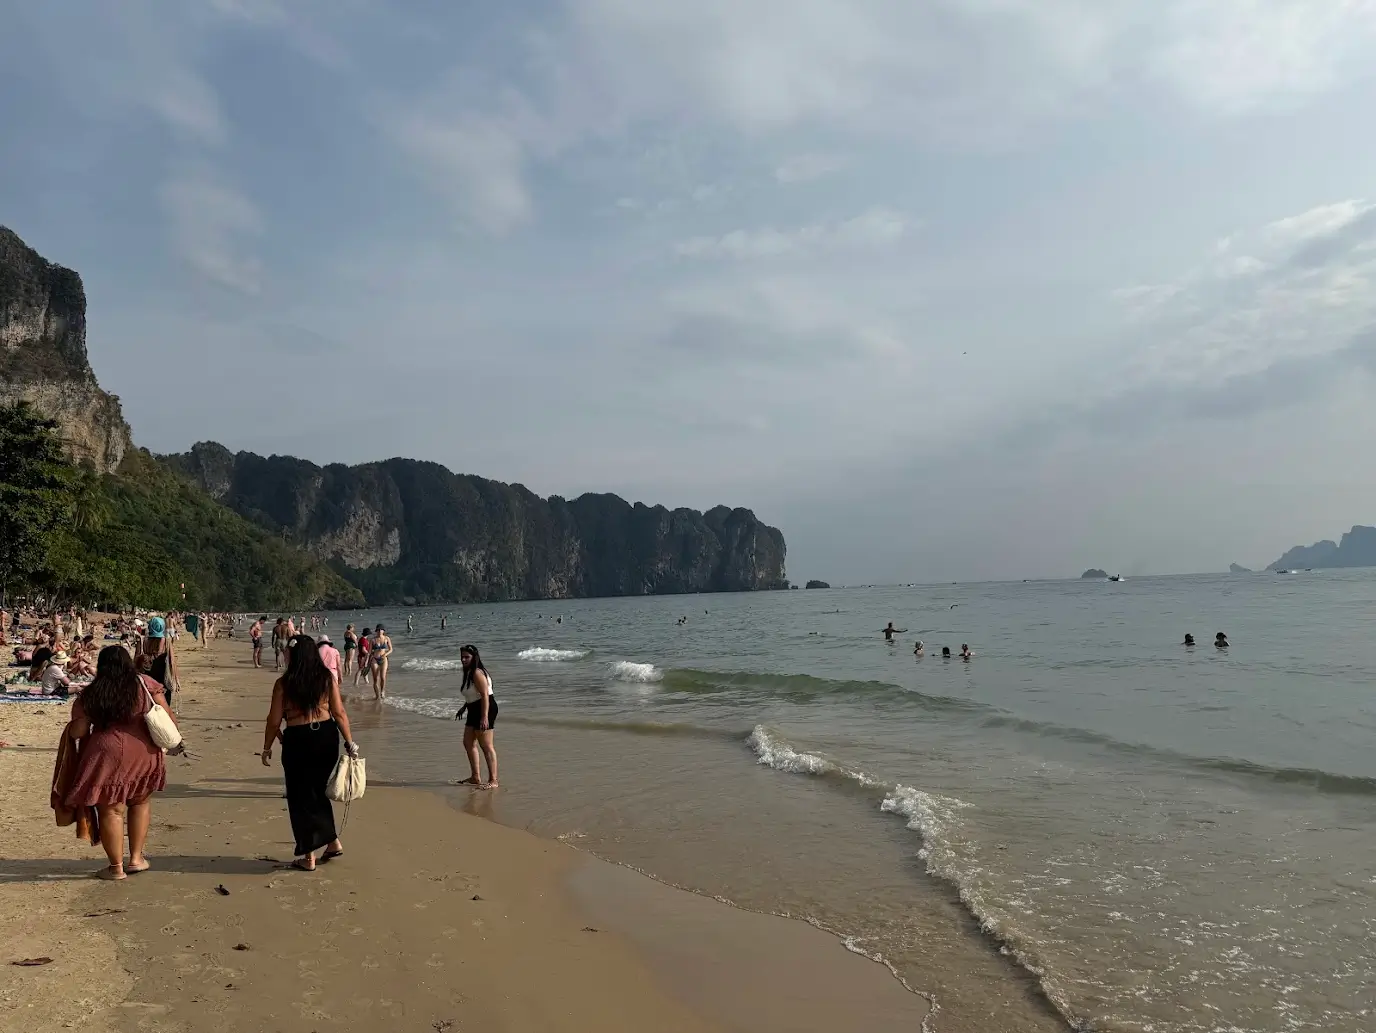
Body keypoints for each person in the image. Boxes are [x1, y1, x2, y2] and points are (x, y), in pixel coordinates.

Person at [64, 645, 178, 879]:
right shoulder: (145, 684)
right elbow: (167, 716)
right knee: (140, 802)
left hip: (105, 754)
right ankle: (136, 859)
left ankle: (116, 867)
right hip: (142, 751)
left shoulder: (91, 693)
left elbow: (78, 731)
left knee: (111, 810)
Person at [261, 635, 358, 871]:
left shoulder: (284, 683)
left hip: (298, 739)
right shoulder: (326, 678)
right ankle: (332, 842)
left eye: (288, 652)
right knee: (316, 792)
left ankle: (308, 856)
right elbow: (339, 713)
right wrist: (350, 742)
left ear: (295, 655)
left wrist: (267, 747)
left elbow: (274, 720)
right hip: (326, 736)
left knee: (300, 797)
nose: (285, 655)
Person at [452, 644, 498, 788]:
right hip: (473, 708)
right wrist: (464, 707)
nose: (463, 660)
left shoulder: (477, 673)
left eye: (467, 657)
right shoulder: (469, 672)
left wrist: (484, 717)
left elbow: (485, 695)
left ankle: (493, 780)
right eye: (462, 657)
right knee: (468, 742)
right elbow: (473, 694)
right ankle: (475, 777)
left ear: (474, 657)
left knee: (486, 746)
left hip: (484, 708)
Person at [139, 617, 180, 708]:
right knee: (165, 703)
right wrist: (176, 680)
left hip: (147, 676)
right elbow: (172, 661)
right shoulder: (166, 641)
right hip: (163, 675)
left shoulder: (143, 641)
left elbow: (136, 660)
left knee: (149, 702)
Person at [370, 624, 393, 699]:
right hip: (375, 659)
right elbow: (369, 652)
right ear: (376, 631)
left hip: (384, 659)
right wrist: (366, 661)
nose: (379, 631)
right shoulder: (373, 640)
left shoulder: (387, 638)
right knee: (375, 679)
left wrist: (385, 654)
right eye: (378, 630)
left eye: (381, 630)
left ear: (383, 631)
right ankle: (377, 696)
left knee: (383, 677)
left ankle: (382, 691)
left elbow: (391, 649)